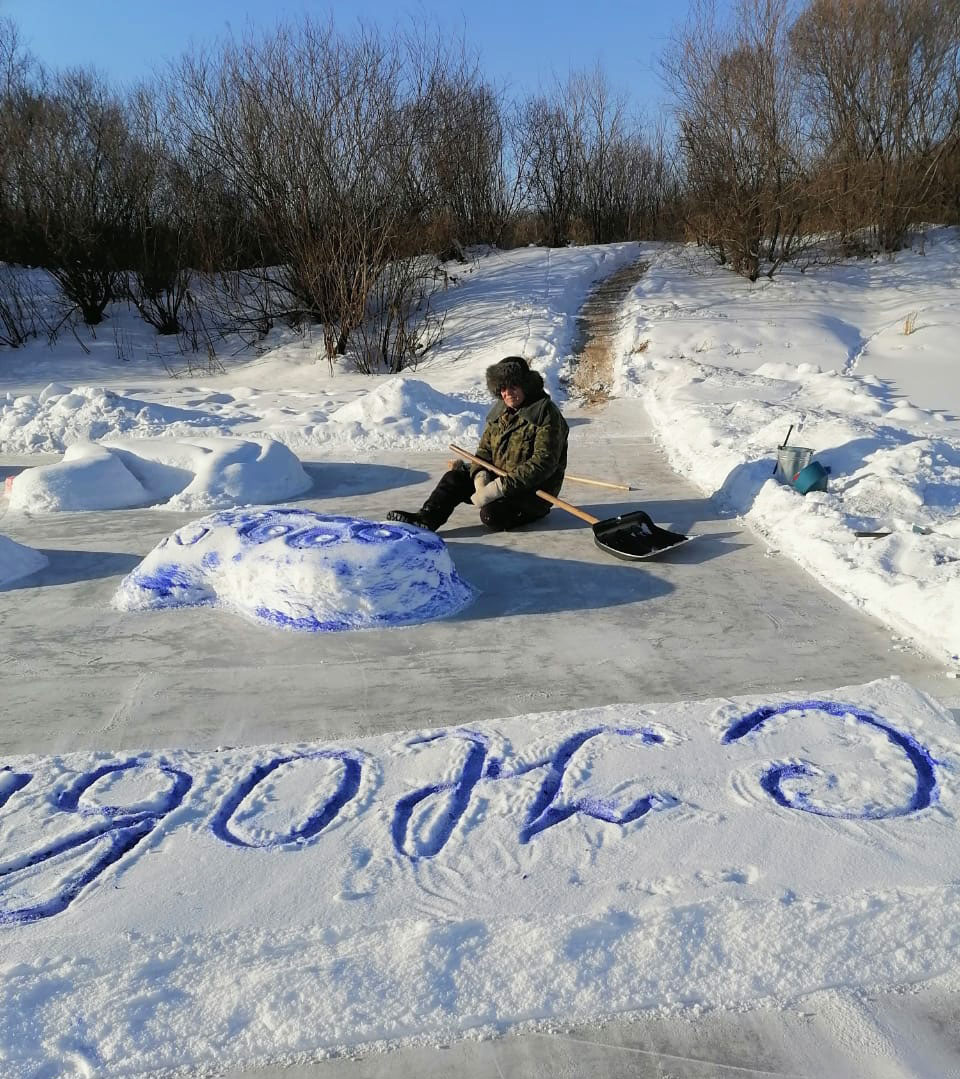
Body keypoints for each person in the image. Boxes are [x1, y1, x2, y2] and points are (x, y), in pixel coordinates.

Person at [386, 356, 569, 532]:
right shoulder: (500, 412)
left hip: (532, 493)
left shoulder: (545, 413)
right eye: (503, 388)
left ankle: (518, 510)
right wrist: (480, 478)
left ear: (526, 385)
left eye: (514, 386)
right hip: (496, 480)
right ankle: (426, 519)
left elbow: (543, 463)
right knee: (454, 478)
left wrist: (498, 488)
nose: (508, 393)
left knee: (491, 515)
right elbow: (484, 451)